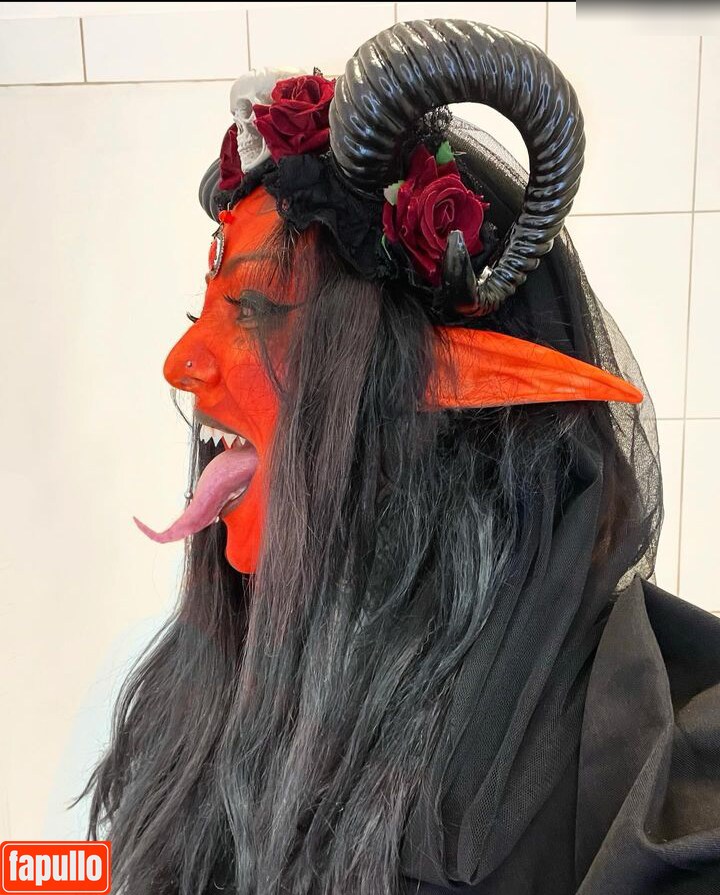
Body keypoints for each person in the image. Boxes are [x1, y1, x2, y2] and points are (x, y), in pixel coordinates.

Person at [80, 19, 720, 895]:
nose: (182, 362)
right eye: (207, 314)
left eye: (257, 311)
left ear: (445, 393)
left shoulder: (647, 785)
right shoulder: (196, 681)